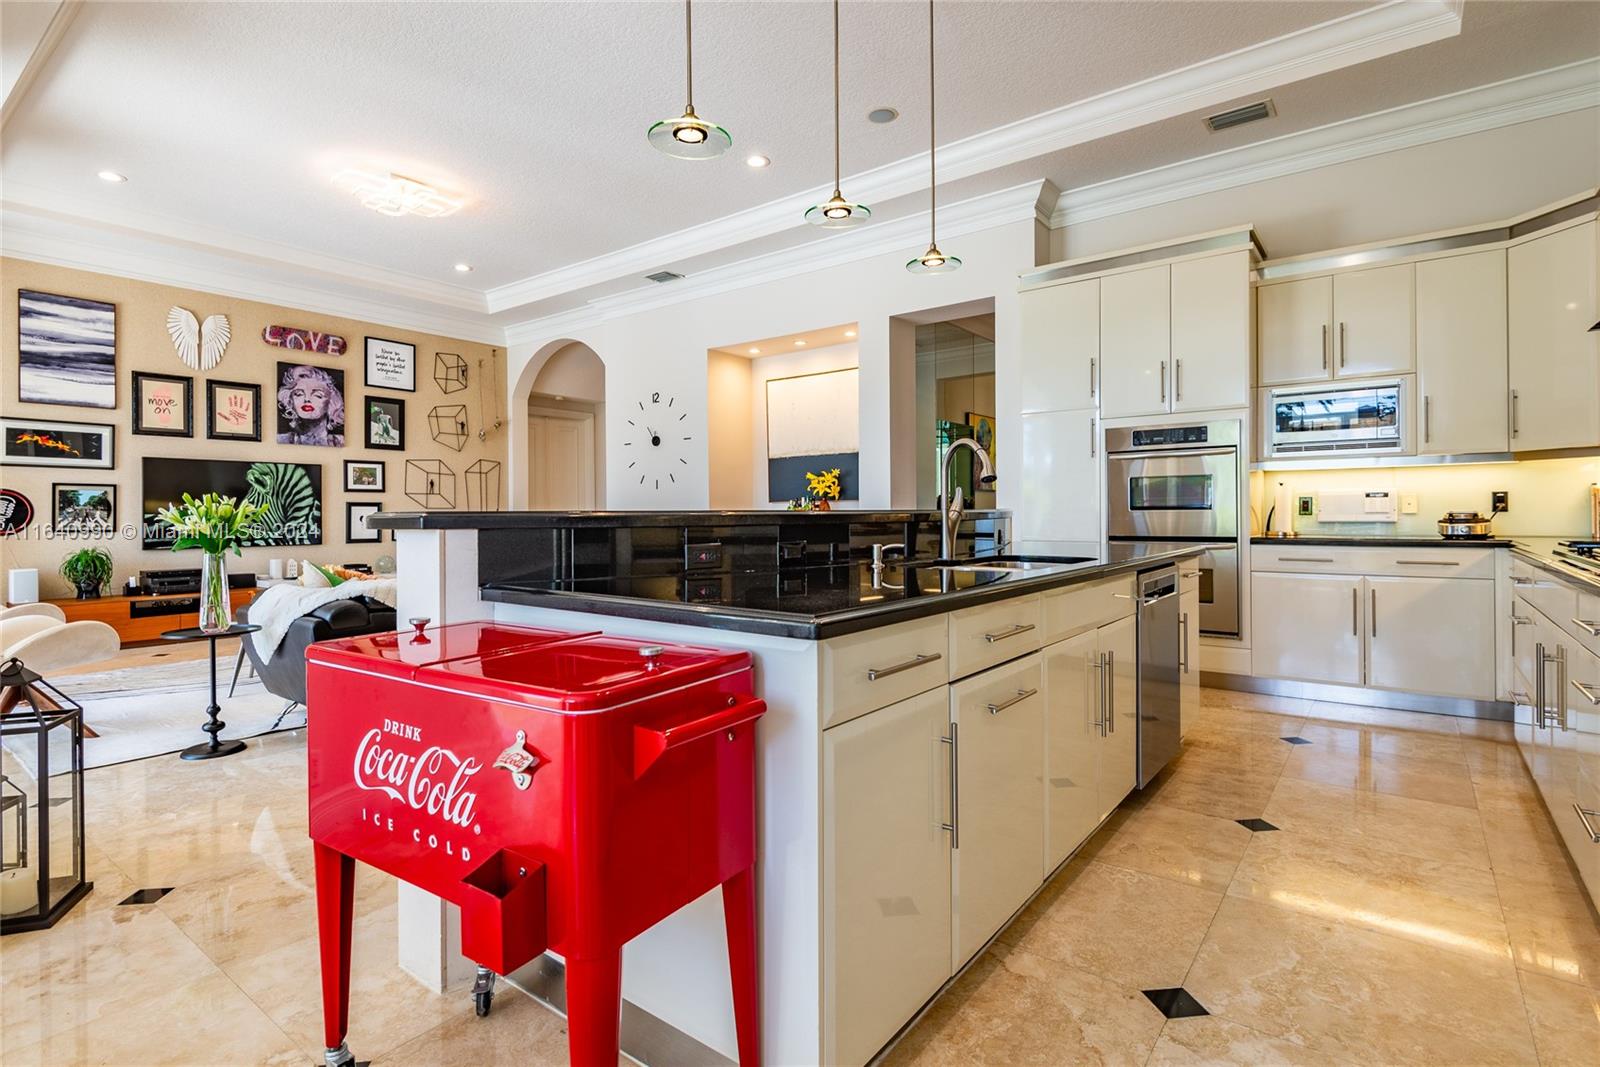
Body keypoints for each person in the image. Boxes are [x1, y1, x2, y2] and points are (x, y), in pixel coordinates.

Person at [277, 365, 344, 446]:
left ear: (331, 402)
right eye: (299, 394)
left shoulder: (340, 442)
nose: (307, 399)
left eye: (318, 395)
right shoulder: (281, 440)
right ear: (290, 401)